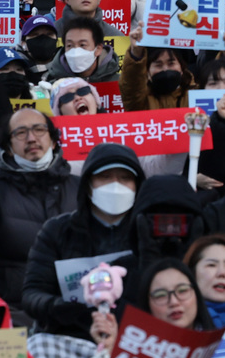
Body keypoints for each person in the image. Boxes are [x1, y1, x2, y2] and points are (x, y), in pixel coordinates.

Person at [0, 108, 79, 315]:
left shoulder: (81, 189)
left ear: (54, 140)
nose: (31, 138)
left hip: (75, 307)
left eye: (39, 130)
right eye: (20, 133)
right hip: (15, 311)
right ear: (9, 148)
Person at [22, 143, 144, 340]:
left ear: (137, 185)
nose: (115, 185)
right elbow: (32, 293)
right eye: (105, 177)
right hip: (71, 337)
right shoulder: (58, 230)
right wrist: (63, 308)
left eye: (125, 178)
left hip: (134, 337)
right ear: (88, 184)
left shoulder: (146, 231)